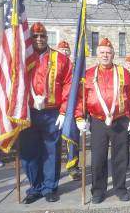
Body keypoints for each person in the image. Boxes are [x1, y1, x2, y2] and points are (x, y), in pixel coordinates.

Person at [75, 38, 130, 204]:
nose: (105, 55)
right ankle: (98, 190)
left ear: (113, 55)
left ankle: (120, 188)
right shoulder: (89, 74)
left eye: (108, 53)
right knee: (98, 158)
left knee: (120, 157)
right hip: (97, 121)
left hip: (120, 120)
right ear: (98, 55)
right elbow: (80, 98)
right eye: (102, 52)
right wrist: (79, 117)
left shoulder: (122, 72)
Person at [19, 22, 73, 204]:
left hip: (52, 114)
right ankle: (35, 188)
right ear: (30, 38)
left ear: (47, 37)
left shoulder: (61, 59)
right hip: (28, 113)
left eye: (42, 36)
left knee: (51, 152)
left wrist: (64, 112)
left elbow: (69, 85)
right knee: (29, 153)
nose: (39, 39)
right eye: (35, 36)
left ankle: (50, 188)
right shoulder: (22, 59)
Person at [57, 40, 81, 181]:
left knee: (72, 139)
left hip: (70, 108)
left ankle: (73, 167)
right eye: (62, 51)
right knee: (54, 142)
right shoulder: (52, 65)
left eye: (67, 51)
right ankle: (53, 169)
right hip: (54, 108)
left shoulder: (74, 69)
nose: (65, 53)